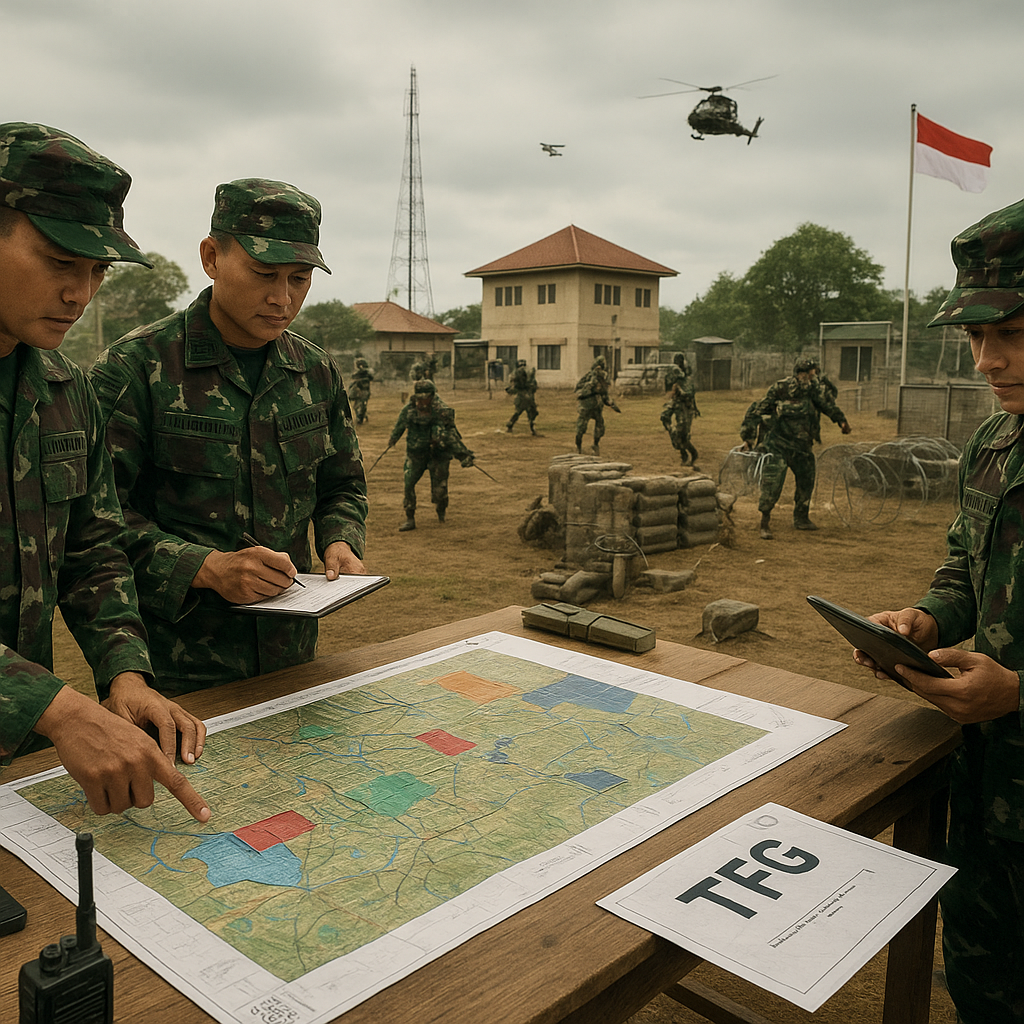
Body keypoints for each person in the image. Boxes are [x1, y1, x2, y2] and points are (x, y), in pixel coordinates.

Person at [0, 122, 209, 821]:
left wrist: (124, 672)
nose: (81, 293)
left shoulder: (64, 388)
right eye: (62, 260)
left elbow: (92, 549)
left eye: (98, 271)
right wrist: (58, 708)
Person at [90, 178, 368, 696]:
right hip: (176, 670)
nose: (282, 298)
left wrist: (339, 539)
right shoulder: (136, 368)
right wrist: (207, 568)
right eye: (264, 273)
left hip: (291, 657)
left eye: (299, 278)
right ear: (212, 257)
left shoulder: (315, 371)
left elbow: (342, 485)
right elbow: (94, 524)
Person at [853, 197, 1024, 1024]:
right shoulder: (994, 443)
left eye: (1014, 334)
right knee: (984, 988)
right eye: (975, 336)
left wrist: (1020, 693)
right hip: (988, 795)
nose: (988, 360)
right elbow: (966, 564)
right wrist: (927, 620)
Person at [740, 358, 850, 539]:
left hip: (803, 447)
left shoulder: (813, 390)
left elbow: (827, 406)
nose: (814, 376)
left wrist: (841, 421)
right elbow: (758, 410)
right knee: (773, 483)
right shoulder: (781, 388)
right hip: (779, 445)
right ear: (801, 374)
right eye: (811, 373)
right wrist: (748, 439)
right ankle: (764, 523)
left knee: (807, 480)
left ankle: (801, 518)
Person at [387, 379, 474, 531]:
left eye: (425, 397)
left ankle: (441, 511)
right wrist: (394, 438)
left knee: (440, 489)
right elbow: (401, 424)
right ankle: (410, 518)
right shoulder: (410, 409)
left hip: (438, 455)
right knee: (408, 484)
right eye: (419, 397)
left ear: (432, 395)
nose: (422, 400)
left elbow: (451, 435)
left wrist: (463, 455)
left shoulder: (442, 411)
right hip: (416, 454)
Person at [574, 355, 620, 455]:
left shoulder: (603, 379)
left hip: (597, 407)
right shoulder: (588, 377)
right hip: (586, 406)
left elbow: (604, 395)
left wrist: (611, 403)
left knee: (600, 427)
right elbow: (579, 391)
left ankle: (595, 444)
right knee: (581, 428)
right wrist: (591, 383)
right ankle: (578, 447)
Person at [660, 372, 700, 465]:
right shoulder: (675, 402)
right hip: (680, 422)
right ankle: (686, 455)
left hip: (684, 421)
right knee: (678, 439)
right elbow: (665, 414)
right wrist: (668, 425)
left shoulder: (686, 399)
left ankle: (690, 455)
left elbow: (690, 398)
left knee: (683, 438)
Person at [505, 358, 539, 434]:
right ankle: (510, 425)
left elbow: (533, 387)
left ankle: (532, 428)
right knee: (519, 412)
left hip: (526, 397)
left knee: (530, 413)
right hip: (523, 397)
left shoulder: (528, 377)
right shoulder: (518, 376)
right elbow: (514, 387)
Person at [350, 357, 374, 425]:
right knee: (358, 406)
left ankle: (361, 417)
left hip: (364, 391)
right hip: (359, 391)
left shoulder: (367, 372)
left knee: (362, 405)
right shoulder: (357, 373)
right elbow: (353, 379)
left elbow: (370, 377)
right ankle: (360, 417)